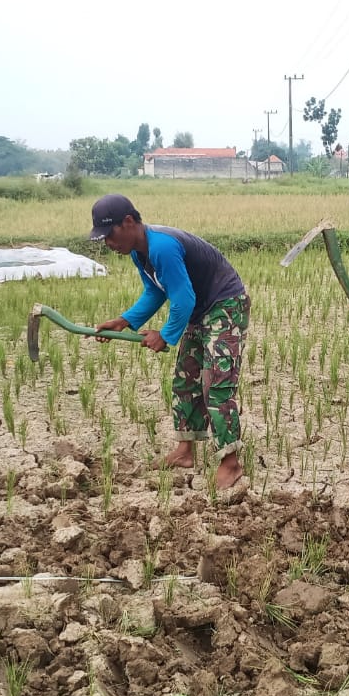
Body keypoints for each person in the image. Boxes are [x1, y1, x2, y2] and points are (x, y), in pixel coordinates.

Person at [89, 194, 251, 489]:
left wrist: (165, 336)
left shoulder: (162, 247)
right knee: (185, 381)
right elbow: (156, 292)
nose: (109, 244)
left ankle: (231, 463)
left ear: (128, 222)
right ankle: (185, 452)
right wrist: (125, 320)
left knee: (216, 385)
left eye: (109, 235)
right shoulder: (141, 253)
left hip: (225, 304)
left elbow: (184, 299)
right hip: (200, 309)